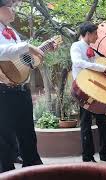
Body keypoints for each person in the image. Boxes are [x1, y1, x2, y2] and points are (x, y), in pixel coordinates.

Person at [0, 0, 43, 172]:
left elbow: (21, 61)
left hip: (21, 90)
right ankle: (7, 173)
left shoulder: (12, 32)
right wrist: (27, 45)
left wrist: (37, 54)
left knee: (28, 135)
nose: (14, 10)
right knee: (5, 139)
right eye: (10, 7)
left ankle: (34, 170)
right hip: (2, 92)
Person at [70, 21, 106, 163]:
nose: (97, 36)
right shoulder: (76, 46)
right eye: (95, 33)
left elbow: (102, 67)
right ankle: (87, 157)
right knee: (85, 122)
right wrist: (100, 68)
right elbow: (77, 62)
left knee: (102, 121)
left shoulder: (93, 50)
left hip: (96, 91)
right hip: (84, 90)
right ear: (87, 34)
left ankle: (105, 154)